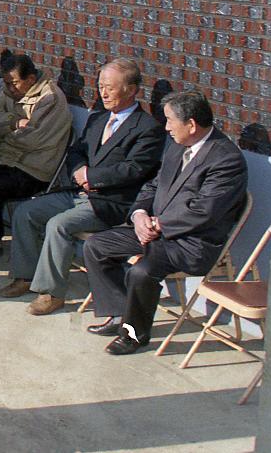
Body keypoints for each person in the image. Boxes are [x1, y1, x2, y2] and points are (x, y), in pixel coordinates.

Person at [84, 91, 249, 355]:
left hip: (190, 242)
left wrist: (157, 225)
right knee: (96, 246)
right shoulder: (176, 146)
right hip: (153, 231)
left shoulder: (226, 159)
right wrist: (139, 214)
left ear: (191, 125)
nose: (167, 126)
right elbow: (153, 185)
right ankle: (120, 315)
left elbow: (204, 211)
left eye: (170, 120)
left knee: (141, 271)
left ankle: (134, 335)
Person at [0, 58, 167, 316]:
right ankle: (24, 276)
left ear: (132, 90)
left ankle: (51, 293)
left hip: (111, 202)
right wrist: (79, 170)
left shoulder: (148, 129)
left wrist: (93, 176)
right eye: (101, 86)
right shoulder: (98, 118)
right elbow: (77, 150)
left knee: (59, 225)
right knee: (26, 212)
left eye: (110, 87)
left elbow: (134, 169)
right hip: (78, 191)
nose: (104, 92)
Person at [0, 54, 72, 269]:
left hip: (33, 169)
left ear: (31, 79)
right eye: (6, 83)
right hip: (6, 159)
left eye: (13, 83)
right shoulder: (8, 91)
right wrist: (13, 122)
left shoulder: (50, 99)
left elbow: (31, 139)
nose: (9, 88)